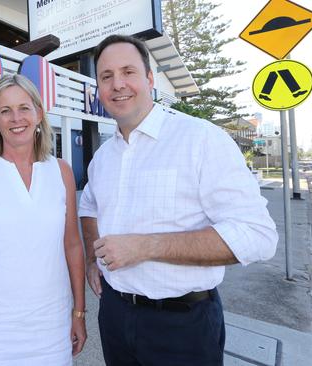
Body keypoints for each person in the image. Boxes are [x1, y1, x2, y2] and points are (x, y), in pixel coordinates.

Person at [79, 34, 278, 366]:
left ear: (150, 79)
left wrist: (146, 246)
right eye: (106, 76)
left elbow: (258, 236)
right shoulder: (103, 157)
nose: (118, 84)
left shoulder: (200, 139)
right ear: (98, 88)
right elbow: (88, 207)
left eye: (128, 71)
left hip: (182, 326)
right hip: (114, 315)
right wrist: (91, 259)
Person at [0, 74, 87, 366]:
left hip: (51, 329)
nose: (16, 118)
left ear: (38, 113)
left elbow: (73, 246)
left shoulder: (61, 171)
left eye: (24, 108)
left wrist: (79, 313)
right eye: (5, 111)